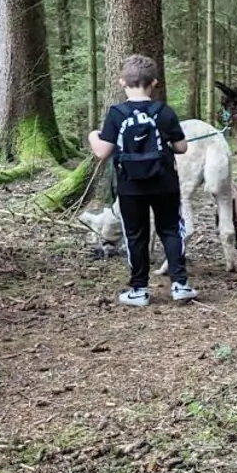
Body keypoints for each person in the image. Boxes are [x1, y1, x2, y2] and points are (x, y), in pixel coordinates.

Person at [87, 55, 197, 307]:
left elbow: (102, 152)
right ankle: (180, 285)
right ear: (154, 83)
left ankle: (139, 290)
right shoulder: (164, 111)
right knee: (170, 230)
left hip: (130, 186)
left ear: (122, 82)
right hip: (165, 183)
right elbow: (181, 147)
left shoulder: (116, 114)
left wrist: (93, 135)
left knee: (135, 235)